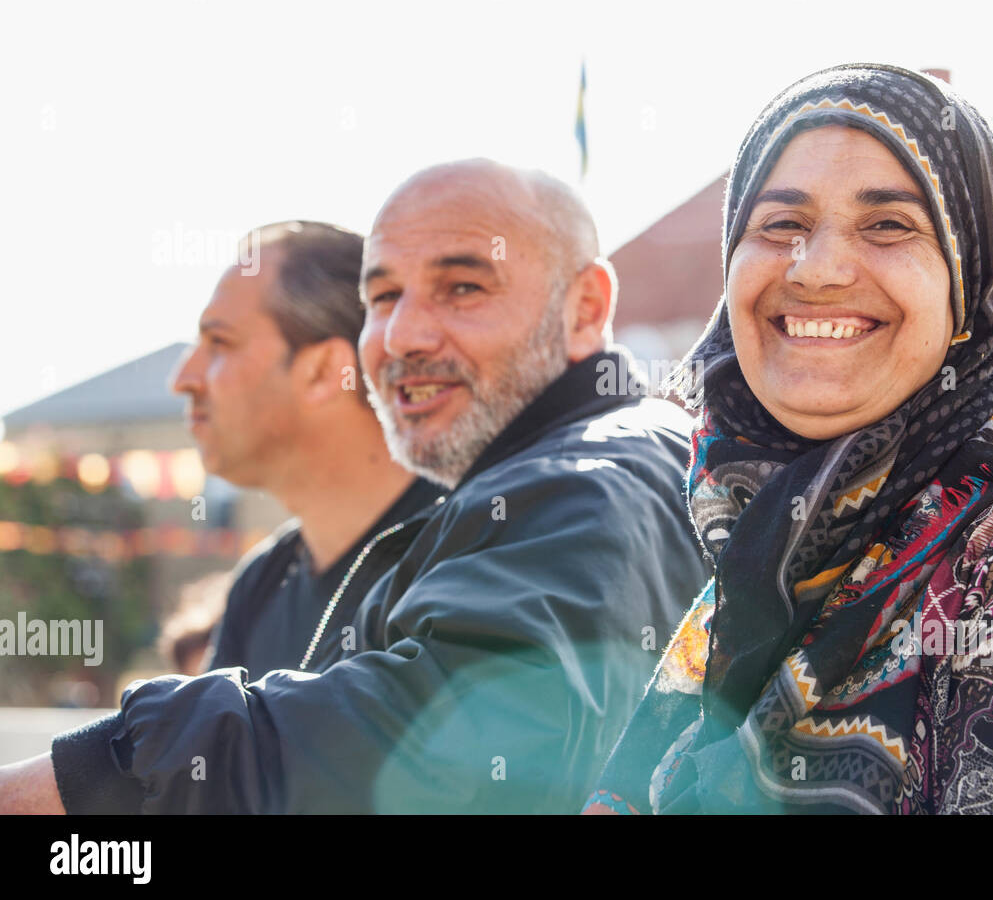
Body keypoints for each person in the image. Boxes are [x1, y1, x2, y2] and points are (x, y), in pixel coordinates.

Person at [584, 64, 993, 815]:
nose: (818, 268)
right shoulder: (758, 561)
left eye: (888, 224)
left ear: (971, 293)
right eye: (780, 224)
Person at [0, 159, 706, 814]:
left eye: (462, 287)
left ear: (585, 307)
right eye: (384, 295)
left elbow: (445, 744)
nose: (403, 335)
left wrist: (100, 775)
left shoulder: (594, 480)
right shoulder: (284, 571)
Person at [170, 221, 444, 677]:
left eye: (219, 343)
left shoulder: (462, 556)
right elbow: (210, 743)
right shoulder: (260, 583)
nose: (183, 379)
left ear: (322, 371)